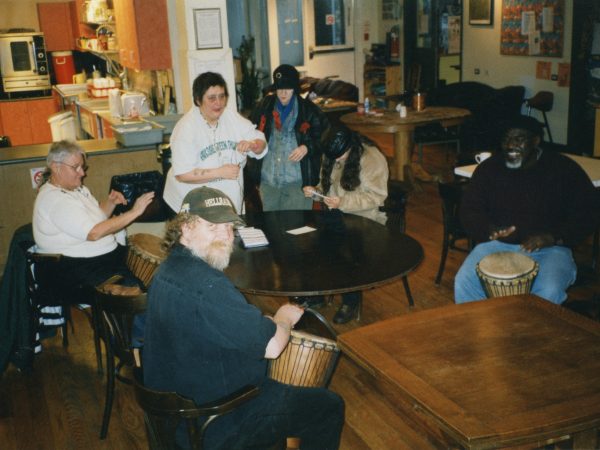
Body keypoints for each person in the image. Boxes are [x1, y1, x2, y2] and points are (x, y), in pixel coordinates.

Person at [143, 187, 344, 449]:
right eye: (212, 226)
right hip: (214, 420)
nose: (224, 235)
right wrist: (282, 318)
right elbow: (272, 347)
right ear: (185, 228)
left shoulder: (167, 270)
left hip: (176, 413)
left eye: (228, 227)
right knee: (328, 406)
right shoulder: (207, 286)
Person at [455, 115, 599, 305]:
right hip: (497, 246)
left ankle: (532, 334)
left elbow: (589, 212)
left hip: (551, 250)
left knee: (548, 290)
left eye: (519, 139)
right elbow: (470, 209)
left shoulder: (562, 169)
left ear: (536, 141)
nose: (510, 145)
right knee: (464, 283)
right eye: (506, 139)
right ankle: (479, 332)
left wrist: (554, 237)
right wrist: (488, 229)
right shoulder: (490, 168)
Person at [32, 140, 155, 295]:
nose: (82, 173)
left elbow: (92, 217)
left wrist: (111, 203)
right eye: (75, 167)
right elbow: (93, 232)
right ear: (56, 167)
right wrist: (134, 212)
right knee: (137, 295)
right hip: (74, 271)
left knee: (144, 289)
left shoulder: (76, 189)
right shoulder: (54, 200)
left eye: (82, 167)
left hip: (97, 263)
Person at [304, 126, 389, 324]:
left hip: (365, 218)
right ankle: (319, 294)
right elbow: (326, 184)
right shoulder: (332, 154)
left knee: (346, 252)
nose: (338, 161)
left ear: (351, 146)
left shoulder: (371, 158)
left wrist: (343, 202)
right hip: (336, 213)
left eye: (341, 157)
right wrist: (314, 190)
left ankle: (351, 301)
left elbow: (377, 196)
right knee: (312, 242)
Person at [163, 71, 268, 215]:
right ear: (198, 100)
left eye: (222, 96)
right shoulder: (186, 128)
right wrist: (220, 172)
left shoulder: (230, 116)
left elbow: (261, 142)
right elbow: (182, 174)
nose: (218, 103)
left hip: (226, 196)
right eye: (212, 98)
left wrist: (253, 145)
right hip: (190, 200)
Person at [249, 64, 328, 211]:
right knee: (271, 229)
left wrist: (307, 147)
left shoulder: (310, 111)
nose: (283, 93)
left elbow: (324, 138)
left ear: (295, 89)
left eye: (288, 88)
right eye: (279, 88)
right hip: (269, 181)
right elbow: (249, 130)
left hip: (297, 183)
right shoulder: (264, 106)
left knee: (296, 230)